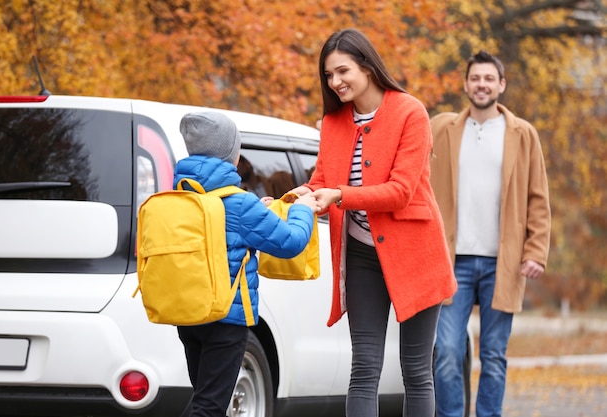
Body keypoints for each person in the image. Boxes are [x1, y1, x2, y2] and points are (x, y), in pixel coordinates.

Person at [290, 28, 457, 417]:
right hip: (363, 257)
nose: (335, 82)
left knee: (416, 370)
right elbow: (322, 181)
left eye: (342, 71)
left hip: (415, 255)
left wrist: (341, 196)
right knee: (364, 367)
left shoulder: (410, 112)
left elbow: (400, 191)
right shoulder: (332, 122)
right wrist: (295, 196)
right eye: (329, 75)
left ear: (366, 65)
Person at [173, 111, 320, 417]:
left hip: (188, 315)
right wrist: (304, 208)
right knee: (210, 406)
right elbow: (290, 242)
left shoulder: (180, 196)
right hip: (226, 319)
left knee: (205, 398)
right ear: (232, 152)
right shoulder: (238, 203)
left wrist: (260, 211)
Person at [429, 50, 551, 417]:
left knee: (494, 355)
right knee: (447, 351)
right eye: (475, 78)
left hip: (506, 261)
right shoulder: (443, 127)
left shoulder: (523, 134)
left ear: (501, 85)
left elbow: (538, 197)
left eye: (488, 78)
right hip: (453, 261)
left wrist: (535, 250)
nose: (481, 84)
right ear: (466, 84)